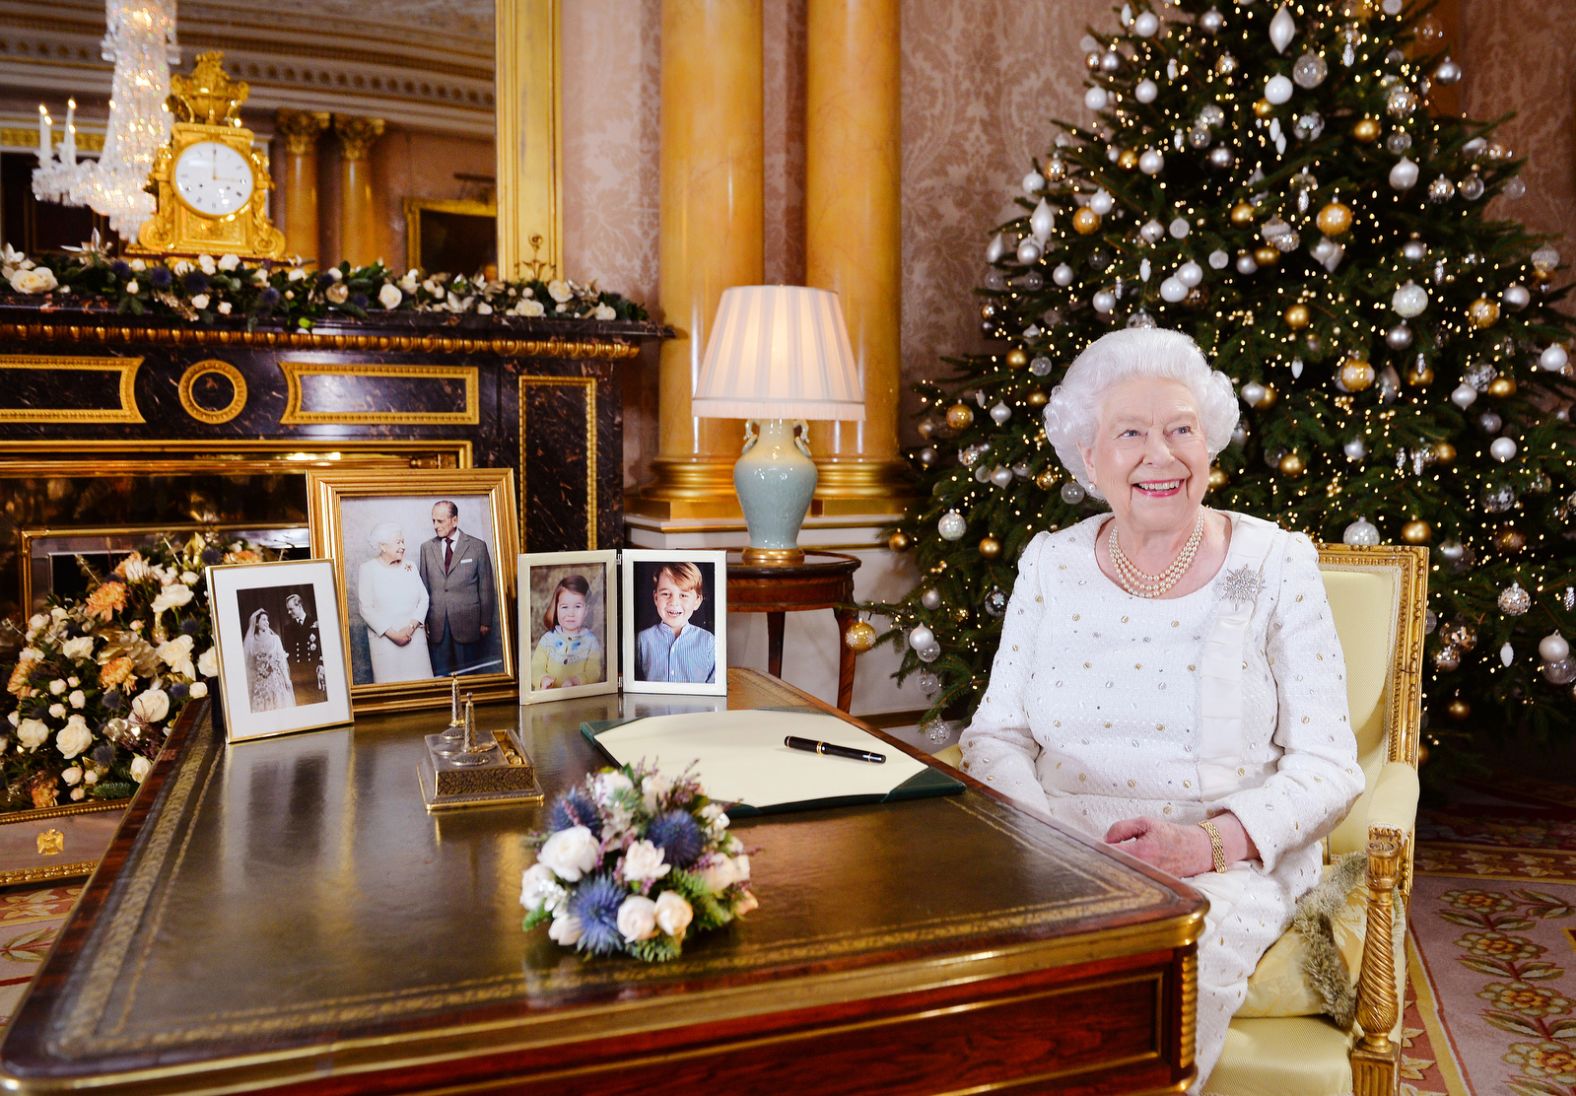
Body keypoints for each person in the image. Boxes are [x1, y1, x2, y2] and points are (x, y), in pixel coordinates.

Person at [957, 327, 1363, 1091]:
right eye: (1131, 433)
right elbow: (998, 732)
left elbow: (1328, 764)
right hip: (1052, 845)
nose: (1161, 455)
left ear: (1209, 447)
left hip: (1217, 863)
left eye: (1182, 430)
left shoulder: (1273, 564)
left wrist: (1209, 845)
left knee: (1149, 988)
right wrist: (1039, 838)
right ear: (1088, 457)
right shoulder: (1051, 561)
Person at [419, 500, 497, 676]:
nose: (435, 526)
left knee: (468, 675)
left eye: (440, 521)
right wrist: (425, 621)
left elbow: (485, 586)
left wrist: (485, 621)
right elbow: (423, 588)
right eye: (433, 521)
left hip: (468, 623)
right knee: (441, 676)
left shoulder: (477, 547)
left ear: (454, 520)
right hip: (437, 624)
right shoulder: (426, 548)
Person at [358, 522, 434, 684]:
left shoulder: (410, 566)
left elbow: (424, 598)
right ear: (383, 546)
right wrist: (394, 635)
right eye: (398, 542)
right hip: (386, 643)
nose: (403, 546)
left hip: (414, 639)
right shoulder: (368, 569)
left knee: (422, 689)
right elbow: (366, 609)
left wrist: (411, 627)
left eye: (403, 541)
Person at [635, 563, 715, 684]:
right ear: (656, 598)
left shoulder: (709, 642)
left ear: (697, 601)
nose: (674, 602)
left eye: (683, 595)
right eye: (666, 594)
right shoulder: (642, 640)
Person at [530, 574, 604, 690]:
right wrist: (542, 678)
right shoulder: (548, 639)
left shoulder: (590, 641)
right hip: (549, 700)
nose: (571, 613)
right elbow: (536, 666)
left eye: (577, 606)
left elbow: (594, 672)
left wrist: (577, 680)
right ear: (556, 608)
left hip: (578, 702)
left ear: (586, 610)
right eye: (564, 607)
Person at [242, 608, 295, 713]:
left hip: (276, 682)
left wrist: (287, 680)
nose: (267, 622)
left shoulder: (275, 639)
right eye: (264, 619)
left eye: (267, 620)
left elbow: (281, 661)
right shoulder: (251, 642)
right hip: (260, 684)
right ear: (256, 623)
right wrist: (260, 672)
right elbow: (249, 665)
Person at [281, 592, 326, 705]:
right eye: (288, 609)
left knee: (317, 702)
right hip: (297, 675)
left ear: (299, 605)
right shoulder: (288, 628)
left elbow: (323, 648)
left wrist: (321, 664)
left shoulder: (315, 622)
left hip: (314, 672)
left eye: (291, 609)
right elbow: (288, 653)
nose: (289, 612)